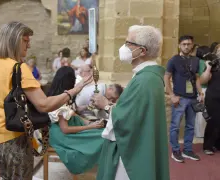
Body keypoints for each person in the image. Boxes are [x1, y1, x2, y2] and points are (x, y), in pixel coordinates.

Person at [0, 21, 91, 180]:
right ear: (13, 40)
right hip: (12, 138)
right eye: (25, 41)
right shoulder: (18, 67)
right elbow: (43, 105)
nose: (29, 45)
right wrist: (73, 91)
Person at [92, 25, 169, 180]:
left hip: (132, 153)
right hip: (139, 143)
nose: (124, 47)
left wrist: (105, 105)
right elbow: (135, 111)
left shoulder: (145, 80)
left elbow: (127, 120)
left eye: (128, 43)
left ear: (142, 51)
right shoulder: (147, 76)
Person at [48, 66, 105, 174]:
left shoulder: (61, 96)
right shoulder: (60, 100)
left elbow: (72, 113)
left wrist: (89, 121)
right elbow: (65, 129)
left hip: (68, 129)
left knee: (102, 133)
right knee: (102, 136)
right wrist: (90, 126)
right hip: (62, 136)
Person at [165, 35, 203, 163]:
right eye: (184, 44)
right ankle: (175, 151)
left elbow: (196, 77)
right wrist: (171, 95)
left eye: (189, 44)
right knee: (175, 126)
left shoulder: (196, 60)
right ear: (179, 45)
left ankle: (187, 150)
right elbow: (166, 77)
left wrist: (200, 92)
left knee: (191, 126)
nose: (186, 46)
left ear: (192, 45)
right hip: (180, 98)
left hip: (192, 98)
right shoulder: (174, 60)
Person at [200, 51, 220, 155]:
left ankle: (217, 144)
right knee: (213, 121)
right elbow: (203, 80)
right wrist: (208, 67)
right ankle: (208, 146)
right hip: (213, 97)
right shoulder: (214, 64)